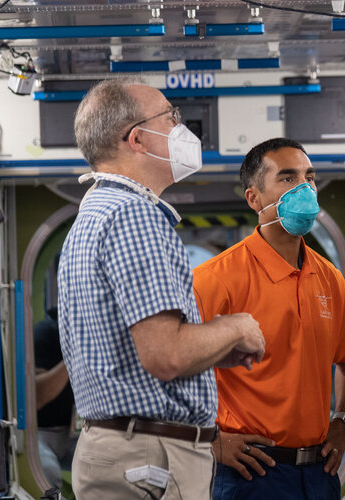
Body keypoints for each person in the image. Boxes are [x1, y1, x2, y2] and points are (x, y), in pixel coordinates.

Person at [58, 78, 266, 500]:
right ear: (137, 139)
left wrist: (213, 350)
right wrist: (235, 327)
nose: (182, 127)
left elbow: (132, 354)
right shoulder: (136, 216)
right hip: (150, 460)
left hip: (123, 451)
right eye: (171, 118)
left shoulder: (93, 215)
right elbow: (166, 356)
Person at [192, 138, 345, 500]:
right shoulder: (216, 279)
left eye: (310, 177)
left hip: (319, 472)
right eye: (288, 179)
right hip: (252, 473)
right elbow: (171, 367)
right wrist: (208, 439)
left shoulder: (329, 277)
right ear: (254, 198)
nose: (305, 188)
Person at [33, 307, 76, 490]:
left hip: (72, 433)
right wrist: (74, 355)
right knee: (48, 473)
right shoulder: (46, 333)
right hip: (40, 433)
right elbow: (38, 396)